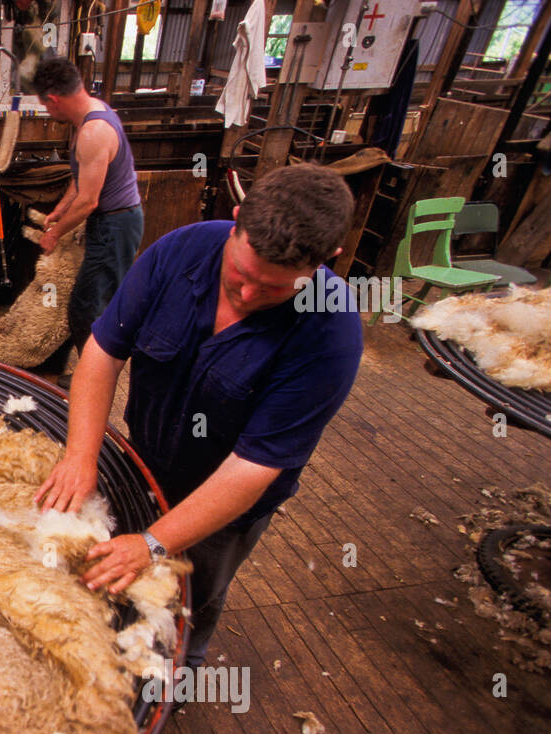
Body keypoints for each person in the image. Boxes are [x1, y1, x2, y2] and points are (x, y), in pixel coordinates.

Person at [35, 164, 362, 671]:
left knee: (191, 591)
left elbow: (253, 467)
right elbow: (102, 352)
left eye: (274, 289)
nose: (248, 296)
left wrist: (153, 543)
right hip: (143, 460)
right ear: (235, 222)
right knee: (112, 567)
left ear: (326, 261)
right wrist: (81, 455)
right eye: (241, 275)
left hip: (225, 501)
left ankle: (181, 665)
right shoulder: (181, 251)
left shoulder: (330, 331)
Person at [33, 57, 143, 382]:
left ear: (53, 100)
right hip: (113, 221)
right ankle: (84, 371)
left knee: (88, 307)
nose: (50, 114)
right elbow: (83, 179)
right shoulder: (93, 112)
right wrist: (59, 211)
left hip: (116, 225)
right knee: (89, 301)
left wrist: (54, 234)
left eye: (46, 107)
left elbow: (90, 201)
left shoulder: (94, 131)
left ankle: (93, 381)